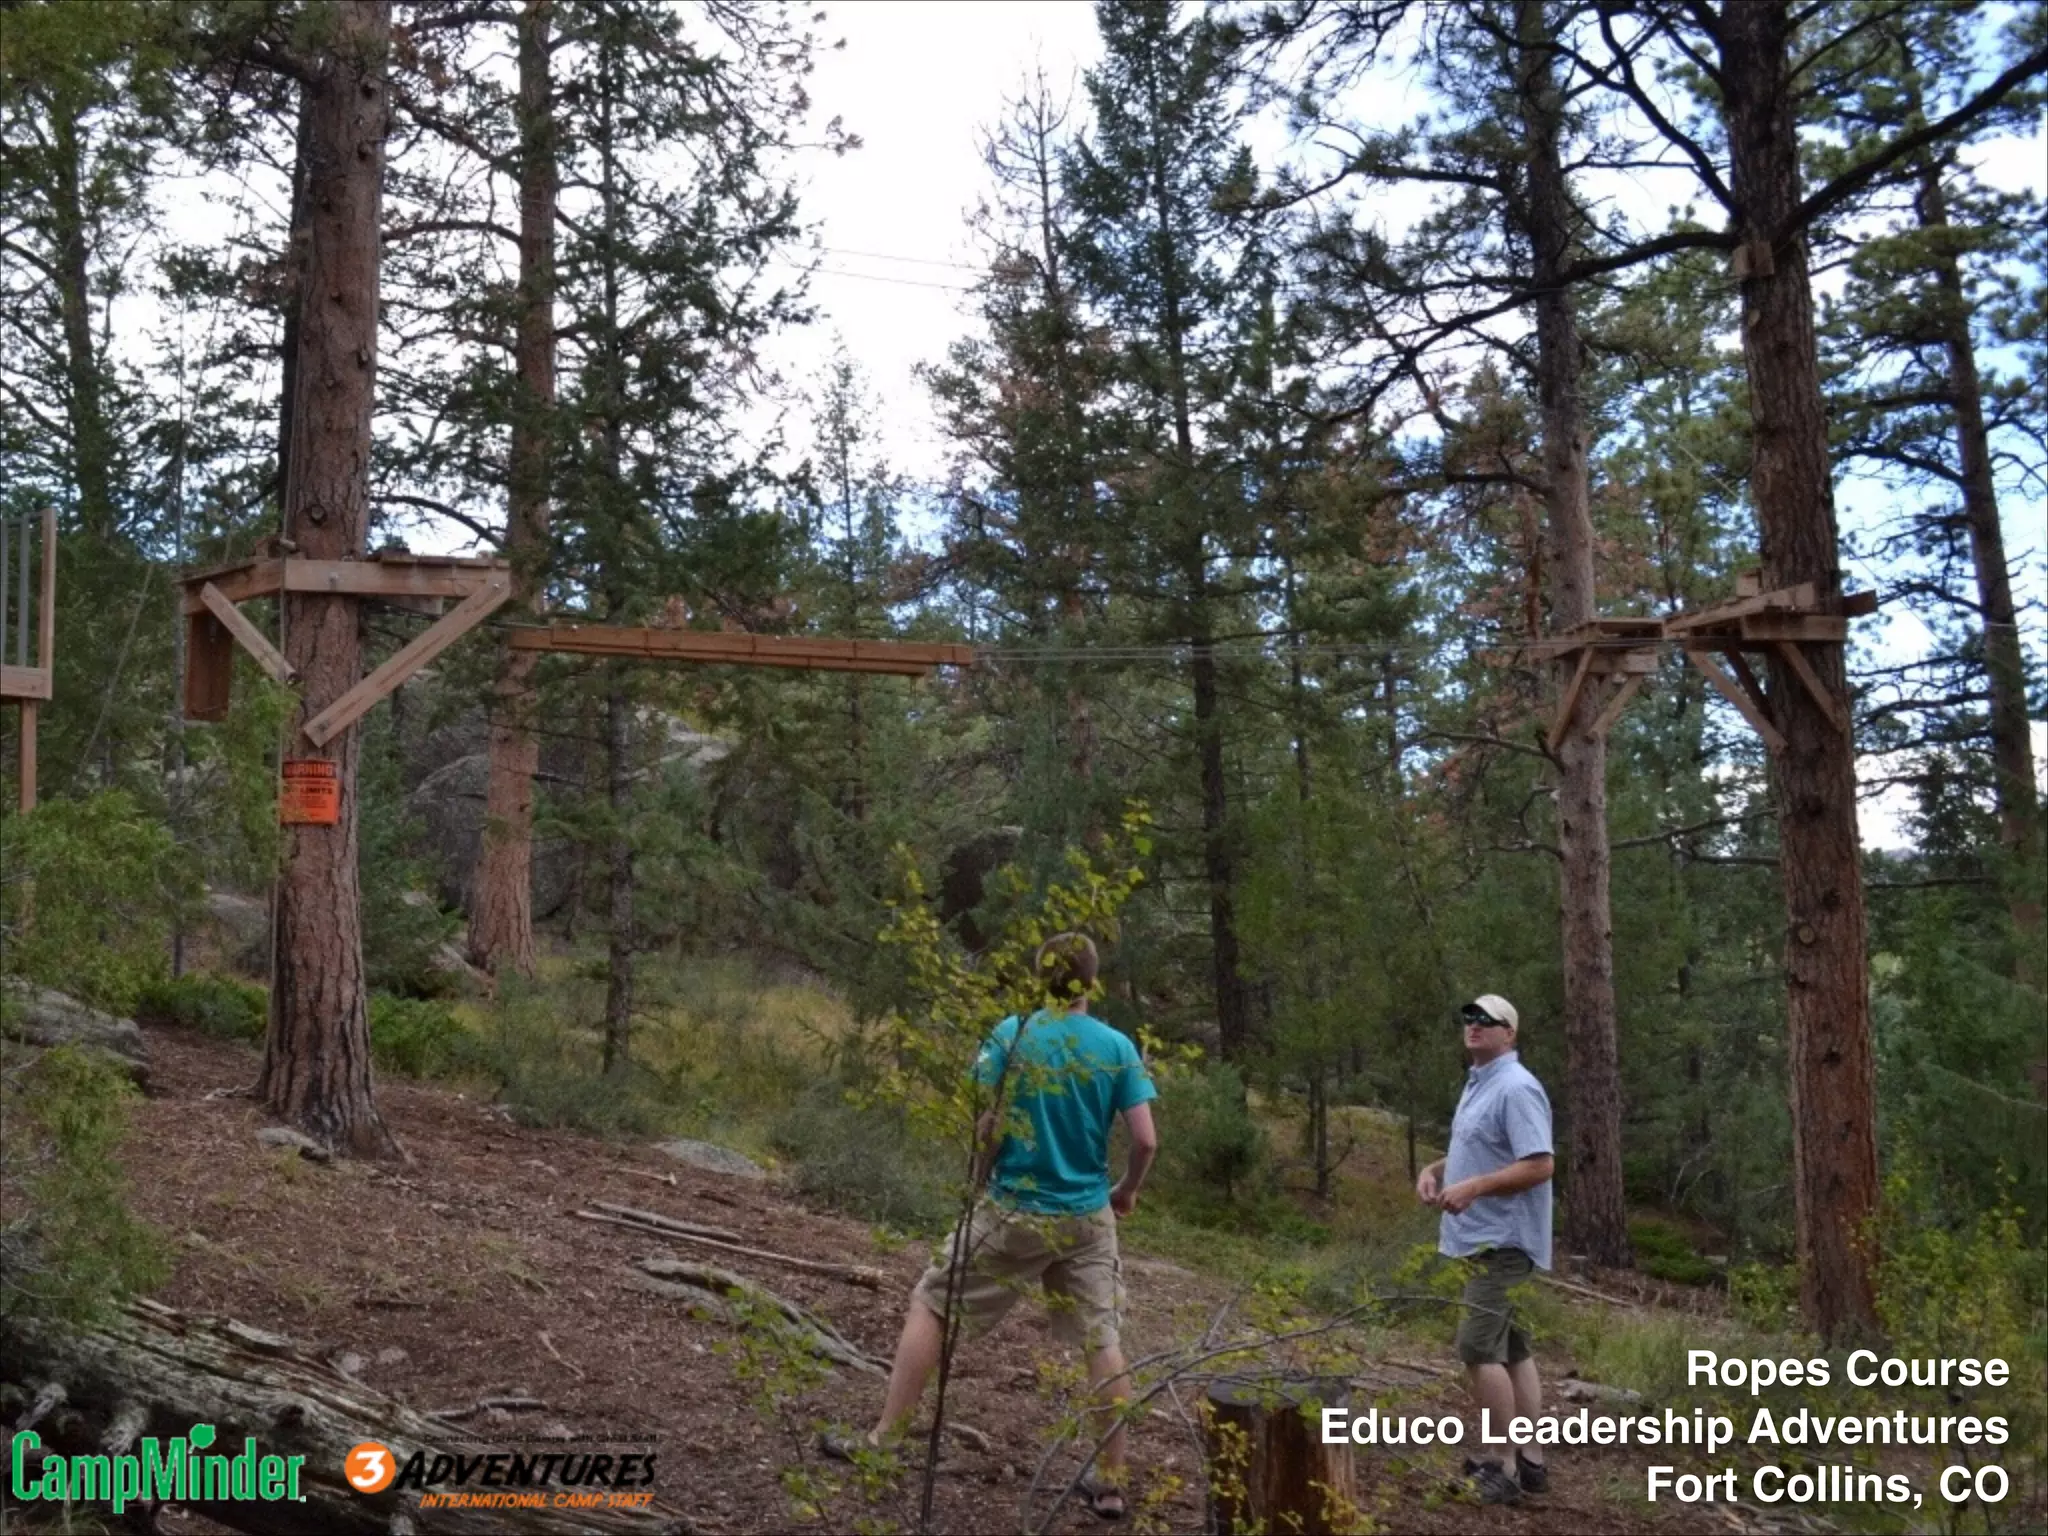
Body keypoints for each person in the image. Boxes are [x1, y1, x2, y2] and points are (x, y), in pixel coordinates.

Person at [823, 932, 1159, 1522]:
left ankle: (883, 1440)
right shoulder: (1117, 1047)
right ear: (1091, 980)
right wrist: (1126, 1190)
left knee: (931, 1300)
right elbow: (1145, 1140)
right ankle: (1110, 1485)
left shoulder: (1013, 1034)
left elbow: (988, 1125)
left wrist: (978, 1181)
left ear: (1040, 977)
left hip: (1014, 1209)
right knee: (1102, 1342)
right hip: (1086, 1217)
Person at [1414, 993, 1555, 1506]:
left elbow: (1539, 1163)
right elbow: (1481, 1148)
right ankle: (1531, 1461)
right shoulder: (1481, 1084)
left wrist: (1473, 1188)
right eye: (1469, 1018)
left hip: (1503, 1241)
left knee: (1477, 1348)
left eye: (1487, 1020)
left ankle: (1502, 1465)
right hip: (1481, 1238)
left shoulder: (1516, 1087)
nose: (1474, 1025)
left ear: (1509, 1033)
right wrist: (1434, 1170)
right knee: (1513, 1349)